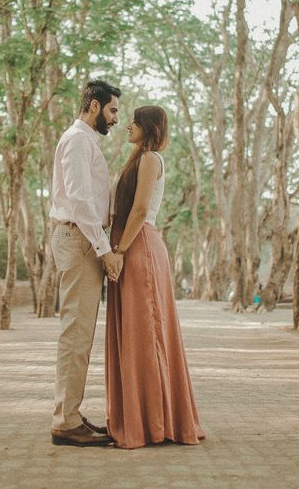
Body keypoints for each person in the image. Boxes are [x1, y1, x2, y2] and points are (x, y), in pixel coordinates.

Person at [106, 105, 205, 449]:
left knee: (146, 334)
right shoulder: (137, 159)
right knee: (137, 334)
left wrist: (118, 251)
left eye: (133, 120)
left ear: (147, 126)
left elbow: (142, 209)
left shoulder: (149, 159)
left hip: (139, 248)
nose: (127, 125)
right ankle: (143, 418)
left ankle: (156, 422)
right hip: (129, 245)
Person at [48, 79, 124, 447]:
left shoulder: (86, 141)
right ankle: (65, 421)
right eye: (111, 111)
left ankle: (71, 415)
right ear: (94, 106)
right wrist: (104, 249)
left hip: (83, 242)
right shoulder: (78, 140)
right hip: (79, 241)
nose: (114, 119)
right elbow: (79, 201)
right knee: (76, 336)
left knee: (80, 335)